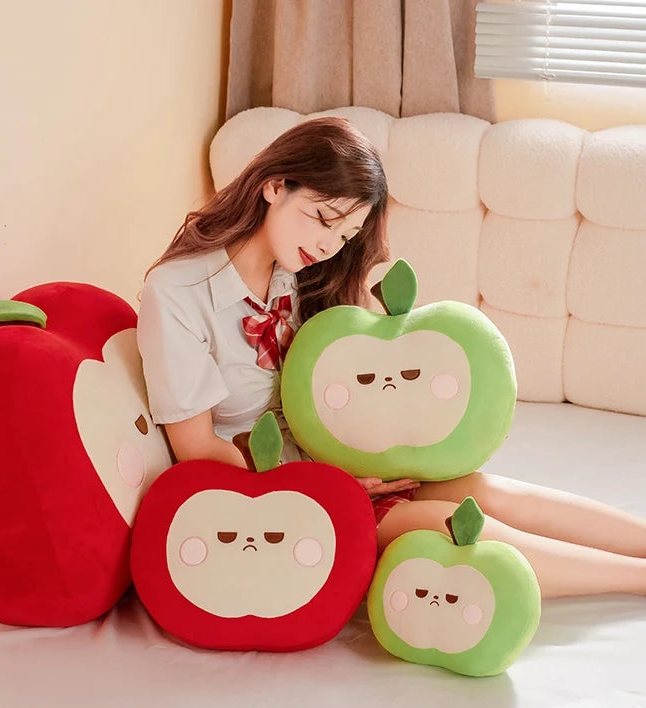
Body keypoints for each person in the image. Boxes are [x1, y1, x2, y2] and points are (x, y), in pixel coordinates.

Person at [136, 116, 646, 599]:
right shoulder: (178, 292)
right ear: (274, 186)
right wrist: (330, 486)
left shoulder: (301, 273)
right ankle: (637, 580)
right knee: (451, 527)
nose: (329, 246)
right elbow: (198, 449)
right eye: (323, 219)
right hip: (280, 499)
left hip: (348, 463)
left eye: (345, 236)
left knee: (485, 493)